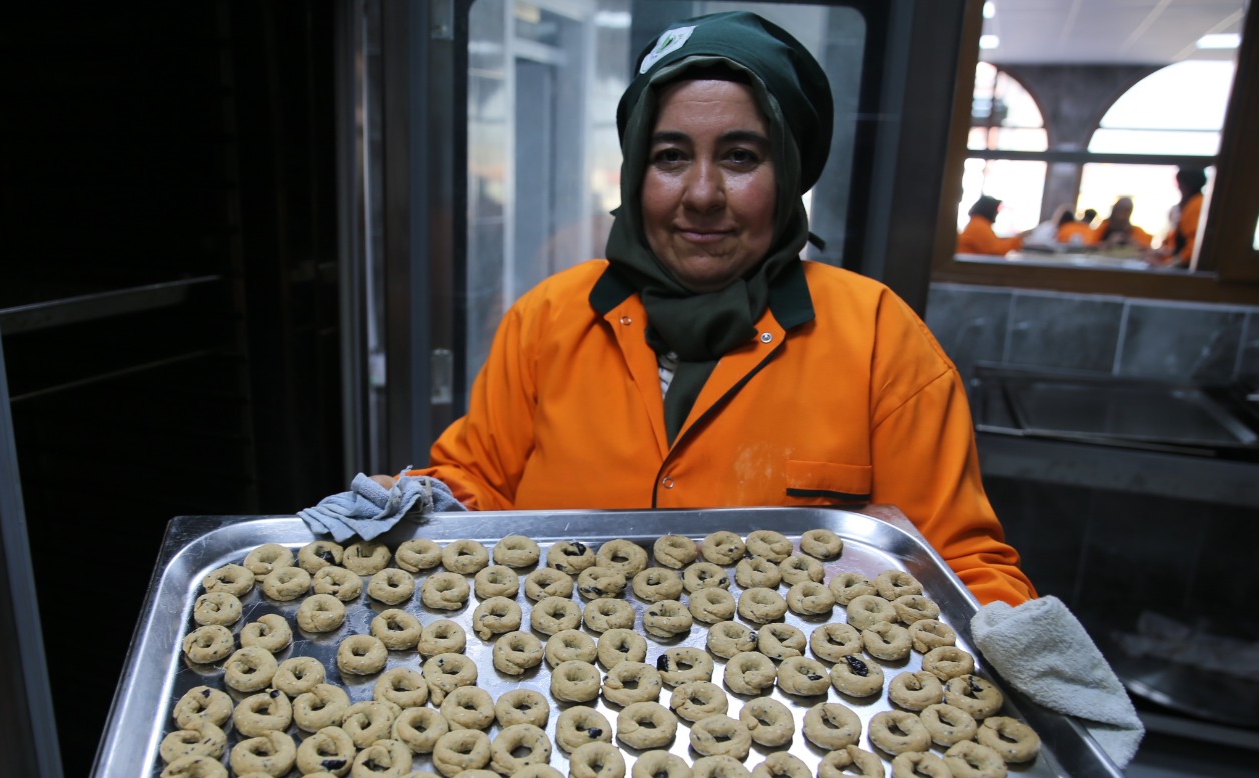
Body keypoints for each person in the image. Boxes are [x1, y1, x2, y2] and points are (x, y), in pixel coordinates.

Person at [391, 12, 1033, 607]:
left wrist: (922, 576)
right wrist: (408, 506)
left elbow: (970, 566)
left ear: (788, 173)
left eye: (740, 156)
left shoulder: (879, 340)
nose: (701, 193)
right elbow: (473, 482)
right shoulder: (553, 317)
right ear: (636, 173)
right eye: (669, 156)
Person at [1152, 167, 1207, 267]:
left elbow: (1194, 247)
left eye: (1179, 184)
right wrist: (1164, 253)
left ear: (1186, 184)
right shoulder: (1192, 203)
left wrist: (1167, 266)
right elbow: (1174, 244)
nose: (1178, 188)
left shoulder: (1196, 205)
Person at [956, 195, 1024, 257]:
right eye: (996, 210)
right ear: (989, 209)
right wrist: (1017, 239)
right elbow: (996, 252)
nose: (997, 213)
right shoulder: (979, 226)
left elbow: (993, 244)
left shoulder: (977, 223)